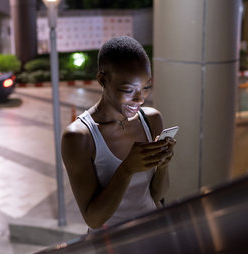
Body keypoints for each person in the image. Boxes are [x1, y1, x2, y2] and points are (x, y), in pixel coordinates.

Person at [61, 36, 175, 230]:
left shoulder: (152, 120)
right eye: (128, 89)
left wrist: (163, 166)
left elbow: (157, 196)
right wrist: (127, 169)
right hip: (110, 249)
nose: (139, 99)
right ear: (102, 80)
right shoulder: (80, 137)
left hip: (150, 237)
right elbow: (94, 220)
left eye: (146, 87)